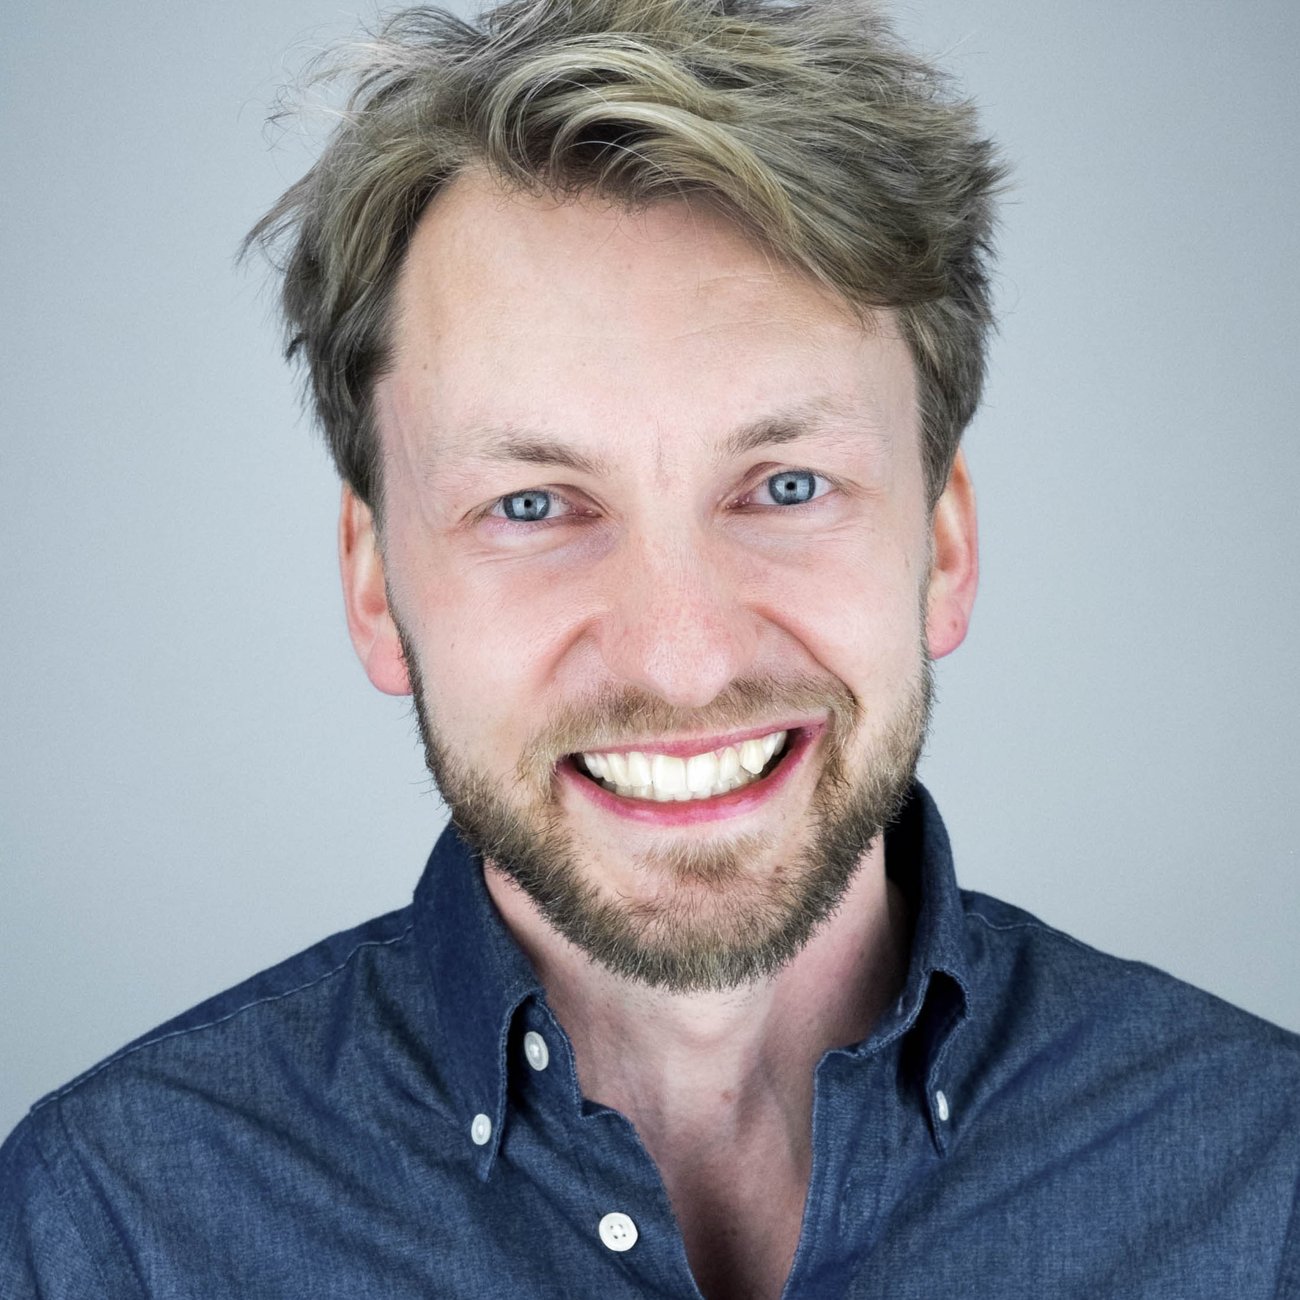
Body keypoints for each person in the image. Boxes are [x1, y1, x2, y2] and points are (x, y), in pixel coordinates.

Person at [2, 0, 1297, 1294]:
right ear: (375, 583)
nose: (683, 664)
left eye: (786, 486)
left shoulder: (1267, 1180)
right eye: (532, 505)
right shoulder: (114, 1229)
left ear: (944, 546)